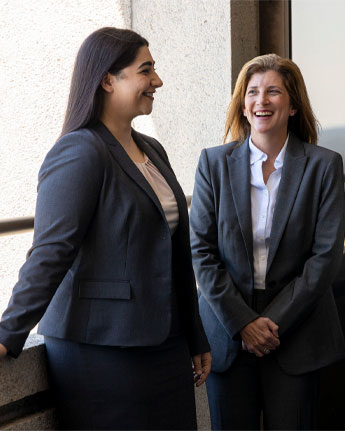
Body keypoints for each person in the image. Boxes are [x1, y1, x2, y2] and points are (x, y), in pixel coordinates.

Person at [0, 27, 211, 430]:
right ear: (107, 80)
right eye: (145, 70)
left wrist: (195, 334)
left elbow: (175, 253)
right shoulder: (79, 150)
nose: (157, 81)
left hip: (165, 342)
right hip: (102, 347)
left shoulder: (152, 149)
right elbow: (51, 252)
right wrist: (9, 332)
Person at [190, 53, 345, 430]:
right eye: (253, 92)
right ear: (243, 106)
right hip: (228, 329)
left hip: (297, 328)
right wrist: (243, 323)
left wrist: (270, 323)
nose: (262, 101)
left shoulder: (323, 165)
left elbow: (324, 258)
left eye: (273, 91)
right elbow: (202, 250)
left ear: (292, 105)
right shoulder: (213, 164)